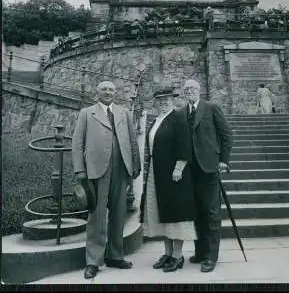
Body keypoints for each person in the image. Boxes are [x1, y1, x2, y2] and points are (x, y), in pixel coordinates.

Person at [72, 81, 141, 279]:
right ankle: (93, 261)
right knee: (97, 216)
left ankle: (115, 255)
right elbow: (77, 143)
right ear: (97, 91)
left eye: (111, 89)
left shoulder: (123, 112)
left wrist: (135, 166)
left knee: (119, 214)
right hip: (96, 171)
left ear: (115, 92)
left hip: (121, 169)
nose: (108, 92)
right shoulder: (87, 113)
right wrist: (79, 170)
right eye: (103, 89)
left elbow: (132, 140)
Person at [178, 79, 233, 273]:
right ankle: (200, 252)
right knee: (196, 213)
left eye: (192, 88)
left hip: (209, 168)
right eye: (186, 89)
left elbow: (226, 134)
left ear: (199, 90)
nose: (190, 91)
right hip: (190, 171)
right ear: (183, 93)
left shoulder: (211, 108)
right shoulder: (182, 112)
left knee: (211, 213)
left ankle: (211, 256)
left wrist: (224, 160)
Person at [140, 87, 196, 272]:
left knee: (176, 214)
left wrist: (179, 168)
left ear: (173, 100)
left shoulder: (178, 118)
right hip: (157, 173)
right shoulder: (156, 120)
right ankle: (167, 252)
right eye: (160, 99)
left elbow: (185, 145)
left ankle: (178, 256)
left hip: (174, 174)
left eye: (167, 99)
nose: (163, 102)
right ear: (155, 102)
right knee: (162, 213)